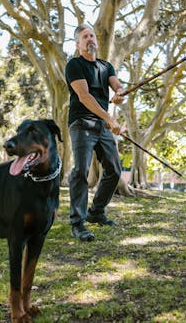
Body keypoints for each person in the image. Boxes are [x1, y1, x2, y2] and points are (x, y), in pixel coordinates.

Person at [65, 24, 125, 241]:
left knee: (114, 169)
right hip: (81, 123)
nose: (90, 38)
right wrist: (109, 118)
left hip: (101, 125)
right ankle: (77, 223)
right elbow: (84, 96)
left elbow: (117, 85)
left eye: (92, 35)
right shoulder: (74, 65)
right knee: (81, 170)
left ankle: (96, 212)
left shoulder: (105, 66)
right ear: (78, 44)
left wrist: (119, 93)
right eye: (85, 36)